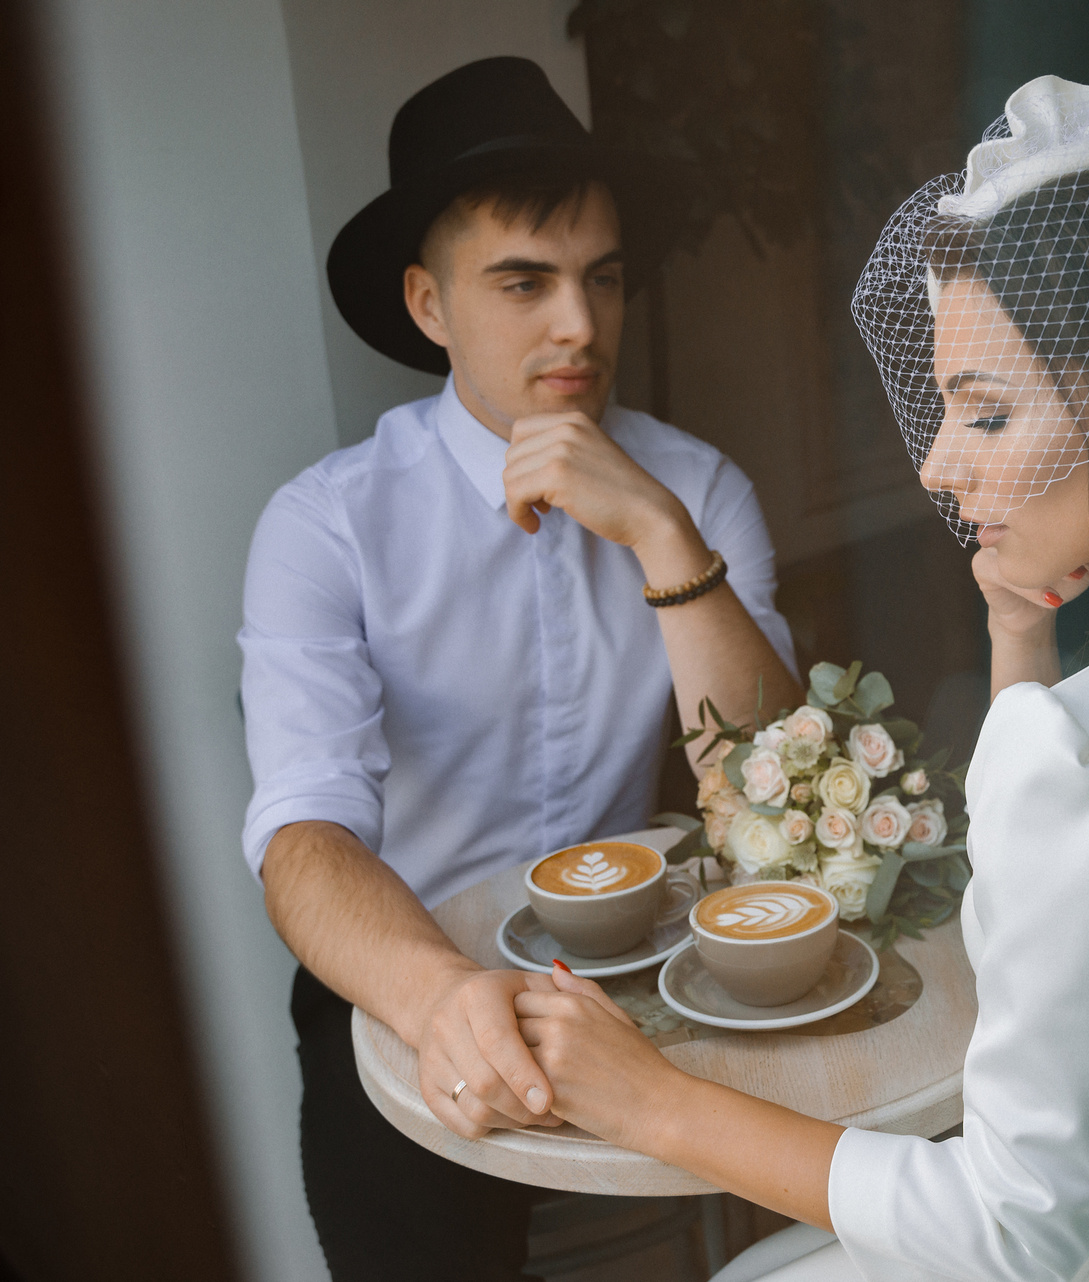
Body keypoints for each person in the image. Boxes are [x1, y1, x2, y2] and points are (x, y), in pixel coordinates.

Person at [509, 76, 1089, 1281]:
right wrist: (1020, 642)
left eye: (987, 416)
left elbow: (1015, 1233)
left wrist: (653, 1101)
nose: (939, 467)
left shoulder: (1072, 757)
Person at [238, 58, 801, 1280]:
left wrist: (660, 537)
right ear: (428, 303)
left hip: (644, 956)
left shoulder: (699, 491)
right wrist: (441, 995)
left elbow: (782, 805)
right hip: (405, 968)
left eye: (603, 277)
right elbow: (303, 838)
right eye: (524, 281)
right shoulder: (324, 526)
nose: (581, 325)